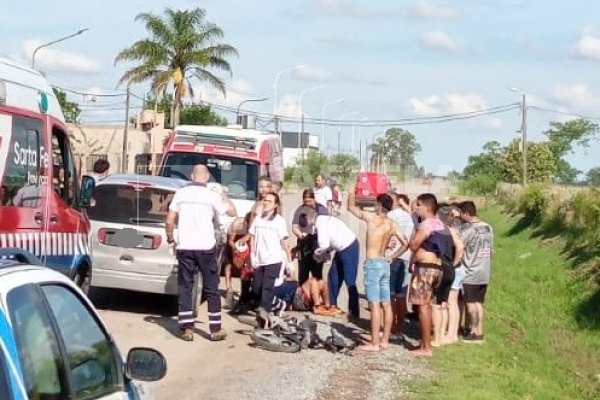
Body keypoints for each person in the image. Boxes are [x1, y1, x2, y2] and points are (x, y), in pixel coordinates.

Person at [165, 164, 237, 342]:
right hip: (205, 248)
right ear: (206, 178)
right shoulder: (211, 195)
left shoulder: (181, 194)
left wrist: (170, 238)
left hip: (185, 247)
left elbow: (169, 221)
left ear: (191, 176)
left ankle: (187, 328)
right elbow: (232, 212)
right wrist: (224, 196)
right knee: (211, 289)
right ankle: (215, 329)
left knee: (185, 287)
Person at [348, 191, 408, 352]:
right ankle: (384, 340)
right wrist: (393, 256)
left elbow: (350, 207)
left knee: (374, 305)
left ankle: (375, 343)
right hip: (384, 262)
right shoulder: (392, 224)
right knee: (386, 303)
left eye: (376, 203)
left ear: (379, 205)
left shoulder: (372, 218)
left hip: (373, 263)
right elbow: (405, 243)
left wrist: (352, 191)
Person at [407, 193, 447, 357]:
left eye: (418, 206)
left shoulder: (427, 224)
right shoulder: (439, 223)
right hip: (436, 267)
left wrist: (412, 239)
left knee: (422, 306)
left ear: (427, 207)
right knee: (427, 305)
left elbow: (414, 244)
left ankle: (426, 347)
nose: (417, 209)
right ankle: (425, 342)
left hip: (425, 267)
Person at [304, 207, 360, 318]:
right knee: (333, 275)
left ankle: (354, 311)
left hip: (349, 246)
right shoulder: (324, 219)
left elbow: (323, 245)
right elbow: (330, 242)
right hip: (341, 247)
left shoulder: (320, 224)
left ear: (309, 218)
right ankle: (332, 305)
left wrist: (316, 254)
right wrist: (326, 252)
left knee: (350, 280)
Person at [249, 192, 293, 327]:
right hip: (260, 259)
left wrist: (289, 261)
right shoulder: (258, 219)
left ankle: (264, 317)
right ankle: (279, 304)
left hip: (274, 260)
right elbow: (252, 235)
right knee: (256, 289)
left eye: (269, 201)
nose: (266, 203)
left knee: (267, 288)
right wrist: (252, 254)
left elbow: (284, 241)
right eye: (265, 200)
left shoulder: (279, 221)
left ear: (275, 205)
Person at [457, 200, 493, 342]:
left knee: (470, 303)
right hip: (485, 270)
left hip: (471, 271)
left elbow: (459, 246)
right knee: (479, 303)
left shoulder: (468, 230)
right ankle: (480, 331)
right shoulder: (488, 227)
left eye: (461, 213)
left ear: (466, 214)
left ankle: (472, 331)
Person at [431, 205, 464, 347]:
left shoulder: (440, 230)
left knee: (437, 304)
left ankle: (437, 336)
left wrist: (454, 262)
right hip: (450, 268)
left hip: (443, 266)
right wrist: (454, 264)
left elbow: (460, 247)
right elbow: (460, 246)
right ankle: (441, 335)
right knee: (444, 304)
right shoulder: (451, 230)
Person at [387, 192, 415, 338]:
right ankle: (399, 329)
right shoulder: (408, 217)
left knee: (390, 295)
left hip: (392, 257)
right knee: (401, 295)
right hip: (406, 257)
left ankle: (390, 327)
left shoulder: (390, 216)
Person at [291, 190, 328, 285]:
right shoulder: (300, 210)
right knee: (303, 275)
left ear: (314, 199)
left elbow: (327, 228)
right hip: (303, 244)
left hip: (317, 245)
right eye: (305, 201)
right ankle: (303, 297)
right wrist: (300, 235)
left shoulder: (322, 210)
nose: (307, 203)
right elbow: (294, 227)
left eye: (309, 201)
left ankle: (317, 297)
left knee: (317, 275)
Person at [223, 213, 252, 309]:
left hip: (243, 243)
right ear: (246, 222)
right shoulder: (237, 225)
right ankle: (229, 288)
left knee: (244, 265)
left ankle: (245, 291)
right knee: (229, 264)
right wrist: (236, 249)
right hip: (232, 240)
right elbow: (230, 241)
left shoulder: (253, 226)